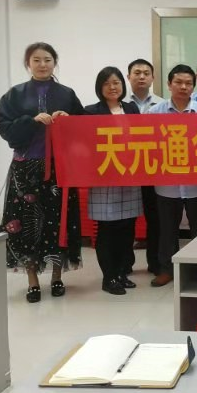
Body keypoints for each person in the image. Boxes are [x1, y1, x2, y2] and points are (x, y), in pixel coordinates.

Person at [0, 42, 84, 303]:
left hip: (59, 168)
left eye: (47, 60)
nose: (42, 64)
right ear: (28, 63)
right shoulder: (15, 94)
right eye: (36, 60)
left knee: (59, 223)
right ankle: (32, 280)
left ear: (55, 63)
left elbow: (83, 126)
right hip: (26, 169)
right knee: (26, 224)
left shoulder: (67, 94)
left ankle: (57, 276)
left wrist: (68, 119)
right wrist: (30, 121)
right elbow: (2, 123)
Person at [147, 64, 197, 286]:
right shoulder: (155, 112)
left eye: (188, 83)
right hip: (167, 183)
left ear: (194, 86)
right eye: (178, 82)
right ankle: (167, 270)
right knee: (167, 230)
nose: (183, 87)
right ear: (169, 84)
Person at [84, 67, 142, 295]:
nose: (112, 87)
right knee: (107, 229)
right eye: (107, 83)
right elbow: (84, 142)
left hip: (129, 174)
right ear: (100, 87)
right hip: (104, 177)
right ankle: (108, 277)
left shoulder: (131, 108)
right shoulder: (90, 112)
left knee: (127, 228)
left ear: (123, 85)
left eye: (116, 82)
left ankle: (121, 272)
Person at [127, 58, 163, 275]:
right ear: (128, 76)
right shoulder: (117, 104)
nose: (141, 77)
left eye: (146, 73)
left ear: (153, 77)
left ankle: (155, 262)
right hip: (126, 169)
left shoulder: (162, 105)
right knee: (126, 217)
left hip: (153, 169)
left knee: (155, 217)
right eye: (137, 73)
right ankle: (125, 262)